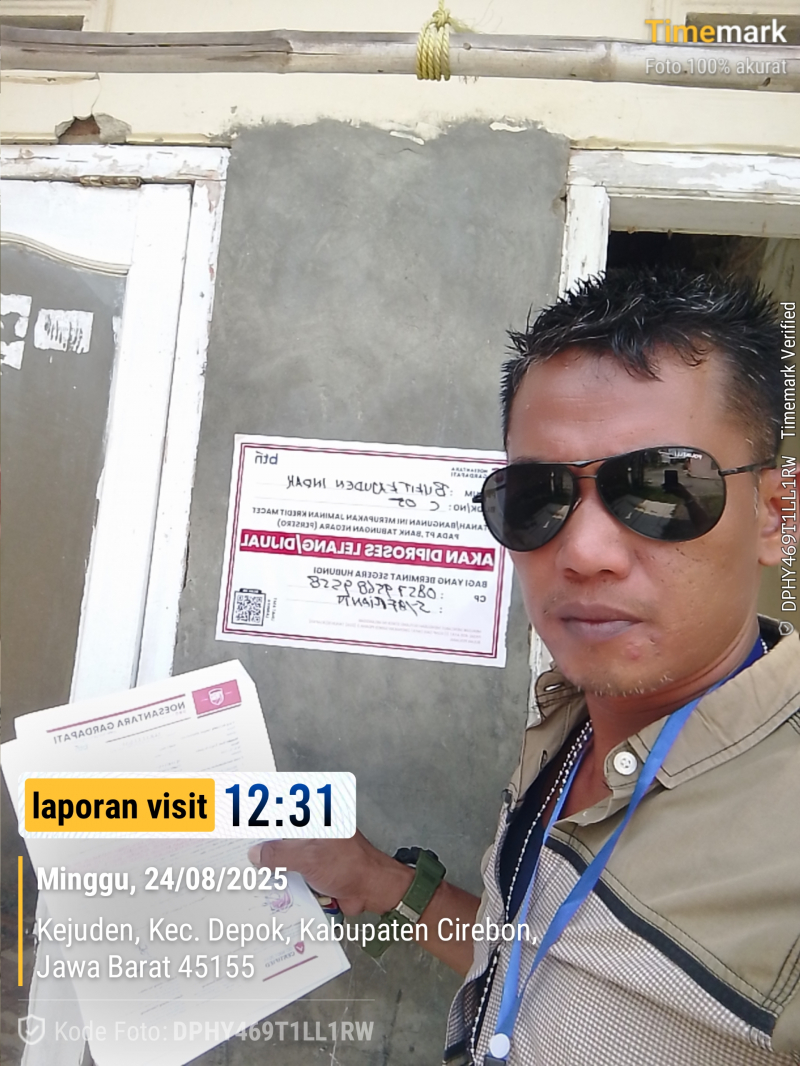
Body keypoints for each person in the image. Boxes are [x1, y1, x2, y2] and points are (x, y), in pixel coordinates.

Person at [249, 267, 800, 1065]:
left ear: (776, 515)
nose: (584, 551)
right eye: (539, 495)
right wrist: (381, 883)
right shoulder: (567, 724)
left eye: (661, 486)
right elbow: (534, 955)